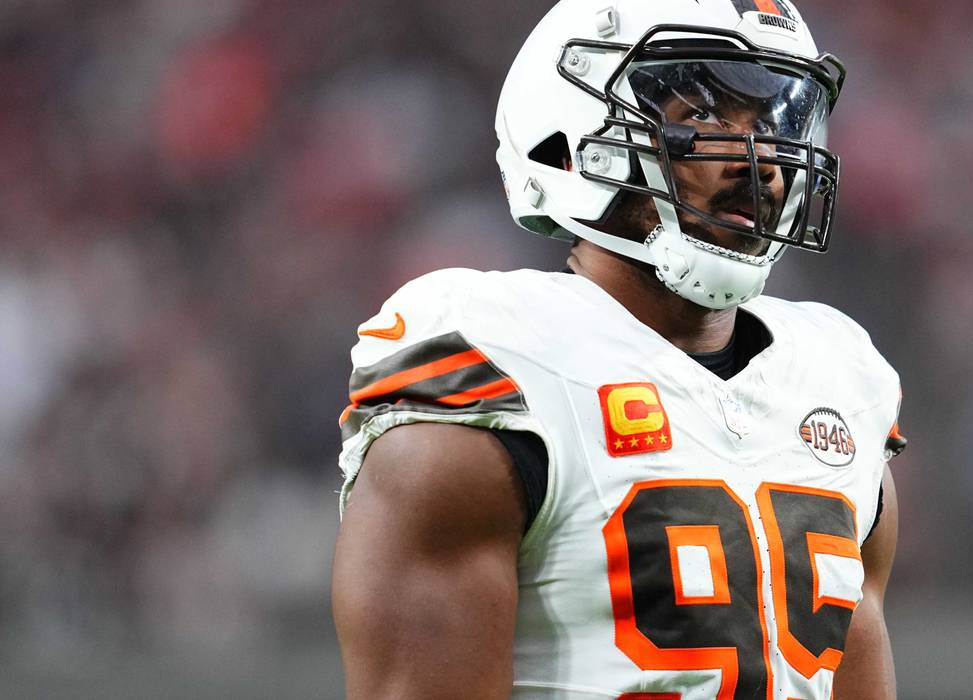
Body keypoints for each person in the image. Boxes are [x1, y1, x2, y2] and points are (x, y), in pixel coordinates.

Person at [332, 0, 907, 697]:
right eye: (703, 116)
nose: (761, 161)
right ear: (571, 129)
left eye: (773, 123)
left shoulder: (838, 381)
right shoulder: (501, 371)